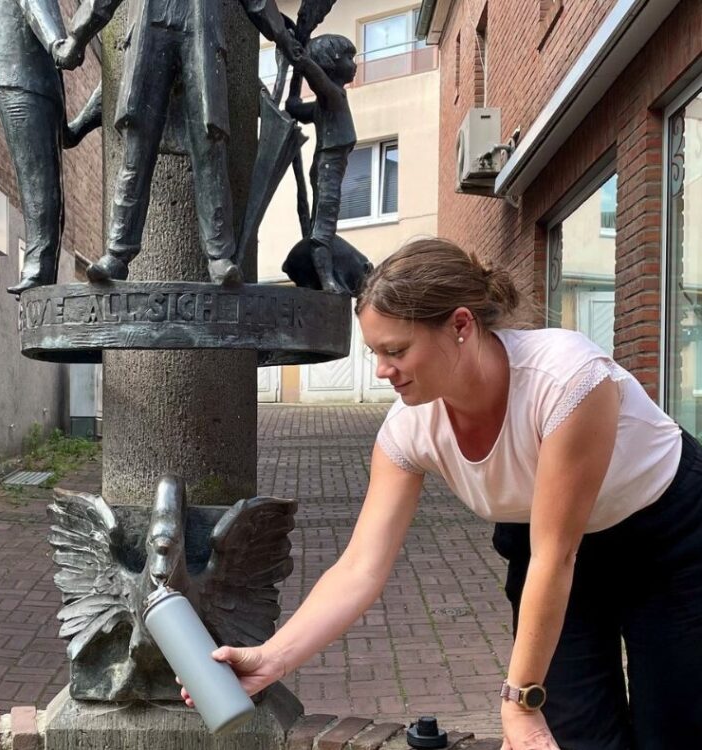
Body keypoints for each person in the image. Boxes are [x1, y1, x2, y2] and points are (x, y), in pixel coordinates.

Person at [181, 238, 702, 749]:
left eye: (397, 350)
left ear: (459, 325)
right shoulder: (409, 429)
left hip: (668, 538)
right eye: (376, 353)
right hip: (545, 547)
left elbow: (556, 554)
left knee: (673, 727)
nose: (383, 370)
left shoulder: (567, 380)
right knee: (572, 736)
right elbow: (361, 567)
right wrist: (271, 658)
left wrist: (518, 702)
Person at [53, 0, 303, 286]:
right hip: (149, 30)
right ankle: (117, 255)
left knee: (211, 144)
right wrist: (77, 37)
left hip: (199, 31)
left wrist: (282, 36)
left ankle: (220, 256)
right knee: (136, 148)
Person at [0, 0, 101, 294]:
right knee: (42, 180)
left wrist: (55, 45)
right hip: (18, 72)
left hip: (23, 74)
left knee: (41, 184)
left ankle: (39, 272)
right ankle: (38, 274)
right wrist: (55, 45)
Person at [284, 34, 357, 294]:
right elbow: (317, 82)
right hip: (329, 167)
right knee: (324, 226)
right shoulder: (331, 96)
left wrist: (296, 76)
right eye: (349, 58)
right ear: (331, 63)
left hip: (328, 166)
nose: (354, 64)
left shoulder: (326, 103)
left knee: (322, 223)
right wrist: (301, 61)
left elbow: (294, 107)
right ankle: (326, 279)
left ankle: (322, 274)